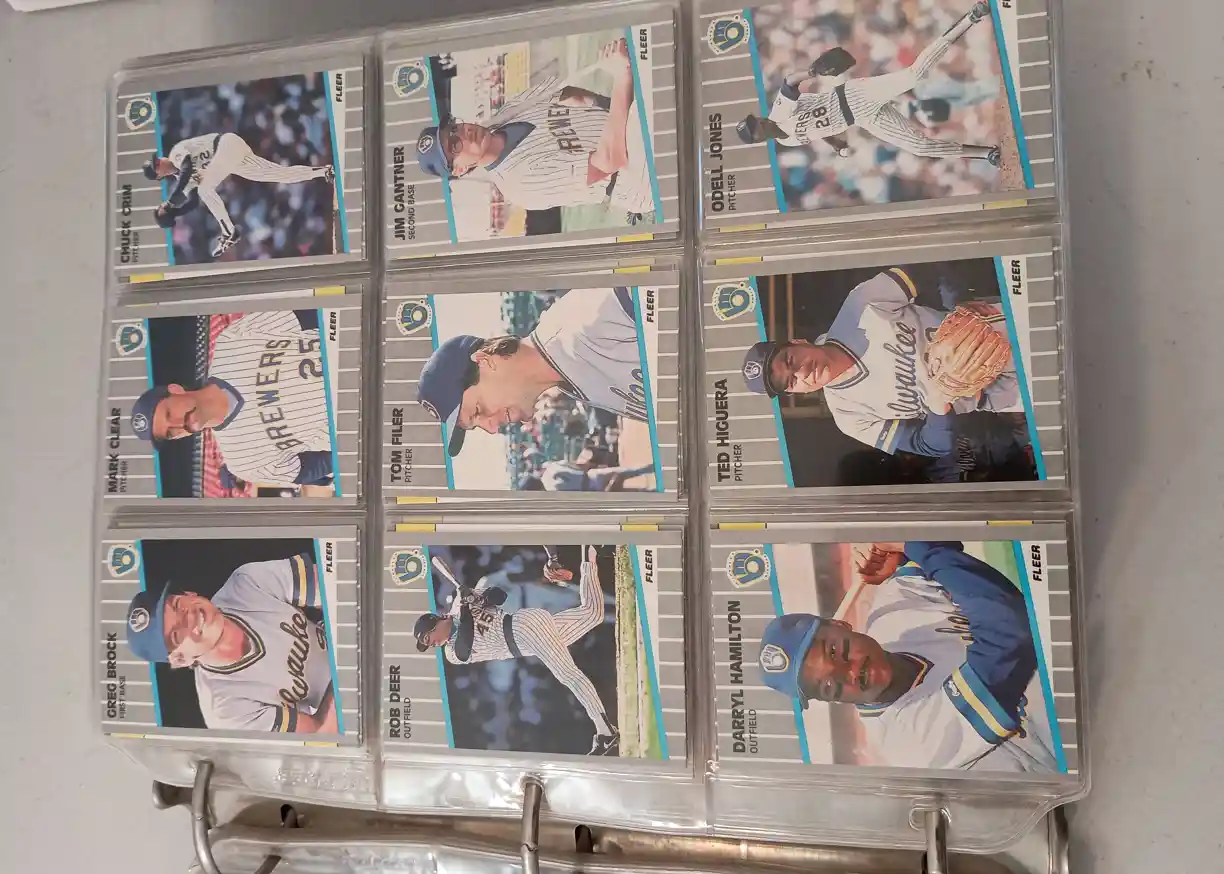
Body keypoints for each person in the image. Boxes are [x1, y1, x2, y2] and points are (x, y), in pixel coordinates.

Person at [758, 541, 1059, 771]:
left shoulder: (892, 612)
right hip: (1069, 742)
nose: (851, 673)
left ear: (841, 625)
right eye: (831, 686)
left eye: (837, 652)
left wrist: (898, 554)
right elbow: (1009, 634)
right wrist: (911, 544)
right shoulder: (909, 741)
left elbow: (940, 541)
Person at [740, 267, 1018, 458]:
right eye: (791, 381)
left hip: (997, 326)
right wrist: (938, 406)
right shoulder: (850, 417)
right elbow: (930, 446)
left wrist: (958, 300)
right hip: (1004, 392)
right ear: (795, 392)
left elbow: (927, 268)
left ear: (798, 342)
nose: (802, 372)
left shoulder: (860, 305)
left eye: (791, 360)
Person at [414, 38, 655, 224]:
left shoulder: (507, 113)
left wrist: (617, 95)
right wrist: (623, 78)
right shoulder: (519, 184)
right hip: (635, 176)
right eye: (455, 145)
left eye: (454, 128)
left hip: (631, 126)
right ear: (460, 169)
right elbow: (609, 161)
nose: (463, 134)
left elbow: (569, 94)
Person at [414, 547, 619, 754]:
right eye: (428, 644)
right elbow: (465, 646)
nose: (432, 644)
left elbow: (500, 596)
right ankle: (588, 557)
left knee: (569, 675)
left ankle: (606, 732)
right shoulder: (451, 652)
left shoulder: (460, 603)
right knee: (593, 614)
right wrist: (466, 606)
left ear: (437, 621)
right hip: (526, 643)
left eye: (428, 638)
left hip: (521, 627)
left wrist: (480, 598)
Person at [418, 287, 651, 457]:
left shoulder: (582, 321)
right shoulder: (567, 381)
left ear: (485, 361)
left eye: (479, 411)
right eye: (477, 425)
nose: (492, 428)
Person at [125, 554, 339, 734]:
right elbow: (321, 733)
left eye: (178, 606)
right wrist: (348, 668)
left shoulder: (246, 583)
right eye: (176, 635)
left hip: (347, 636)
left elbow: (334, 584)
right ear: (181, 660)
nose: (189, 618)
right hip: (346, 708)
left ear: (189, 594)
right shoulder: (225, 710)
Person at [129, 310, 335, 489]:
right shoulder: (243, 463)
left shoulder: (232, 341)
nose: (177, 425)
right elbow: (318, 466)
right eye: (170, 433)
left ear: (175, 390)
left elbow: (310, 316)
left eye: (169, 413)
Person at [143, 132, 334, 257]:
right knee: (281, 175)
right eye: (156, 166)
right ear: (159, 176)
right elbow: (193, 201)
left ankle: (229, 232)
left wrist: (169, 203)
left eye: (157, 160)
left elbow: (186, 167)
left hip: (225, 146)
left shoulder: (175, 153)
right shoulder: (180, 178)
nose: (159, 161)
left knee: (205, 189)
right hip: (231, 158)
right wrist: (173, 212)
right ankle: (324, 171)